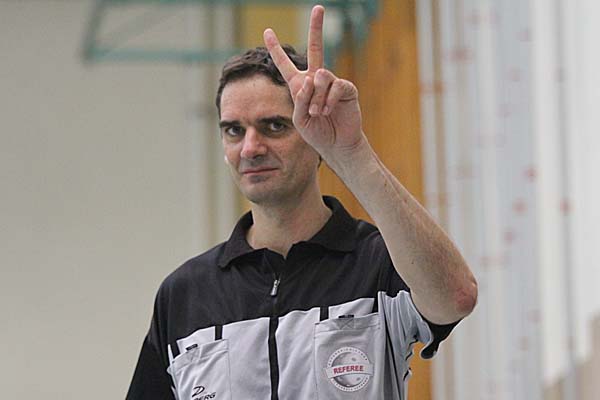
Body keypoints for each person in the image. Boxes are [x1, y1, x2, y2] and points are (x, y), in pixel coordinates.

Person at [126, 5, 477, 400]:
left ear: (314, 137)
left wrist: (352, 151)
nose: (250, 148)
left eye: (274, 126)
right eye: (234, 130)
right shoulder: (185, 294)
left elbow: (457, 298)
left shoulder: (380, 263)